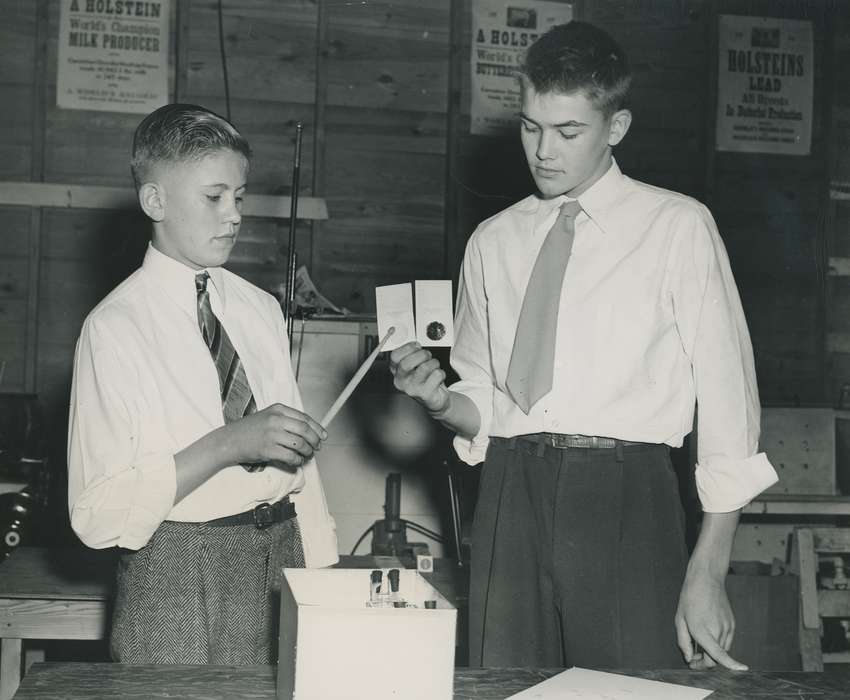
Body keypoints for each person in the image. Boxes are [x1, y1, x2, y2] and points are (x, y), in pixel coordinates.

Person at [389, 21, 777, 671]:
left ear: (615, 127)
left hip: (628, 497)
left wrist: (708, 568)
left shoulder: (677, 227)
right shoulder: (494, 240)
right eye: (531, 126)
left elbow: (730, 406)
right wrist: (439, 402)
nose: (544, 150)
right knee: (504, 686)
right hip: (512, 492)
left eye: (569, 132)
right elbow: (484, 396)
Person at [67, 103, 338, 665]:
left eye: (239, 197)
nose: (233, 214)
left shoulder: (260, 308)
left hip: (281, 556)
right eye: (213, 197)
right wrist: (228, 445)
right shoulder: (113, 328)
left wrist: (325, 572)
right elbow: (95, 514)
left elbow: (298, 467)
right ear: (155, 201)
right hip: (176, 572)